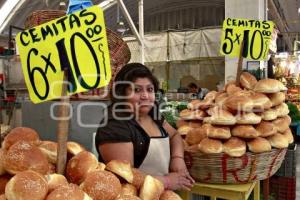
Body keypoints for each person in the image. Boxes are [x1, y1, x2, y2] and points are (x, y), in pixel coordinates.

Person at [95, 63, 194, 191]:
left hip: (160, 192)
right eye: (137, 90)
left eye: (150, 89)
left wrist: (177, 158)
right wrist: (167, 181)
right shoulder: (114, 127)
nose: (145, 96)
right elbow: (126, 177)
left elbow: (174, 135)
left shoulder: (153, 114)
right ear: (121, 94)